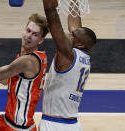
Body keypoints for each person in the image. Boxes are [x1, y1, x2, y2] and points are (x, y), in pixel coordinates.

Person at [39, 0, 97, 131]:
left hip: (54, 124)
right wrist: (74, 1)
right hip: (74, 125)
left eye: (72, 35)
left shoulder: (67, 54)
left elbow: (51, 14)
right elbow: (75, 28)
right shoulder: (84, 57)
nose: (68, 34)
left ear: (80, 44)